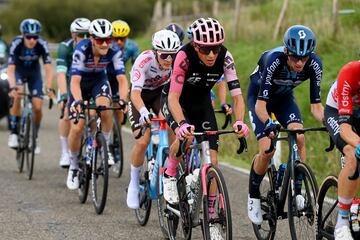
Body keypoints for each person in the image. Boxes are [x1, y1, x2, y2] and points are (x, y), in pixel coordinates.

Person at [160, 17, 249, 205]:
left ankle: (212, 216)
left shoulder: (226, 57)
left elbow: (237, 96)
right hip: (176, 100)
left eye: (215, 49)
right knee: (186, 136)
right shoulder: (183, 56)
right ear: (195, 45)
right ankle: (170, 174)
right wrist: (182, 124)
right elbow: (173, 98)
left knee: (213, 163)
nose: (211, 55)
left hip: (201, 102)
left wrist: (240, 120)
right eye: (205, 49)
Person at [247, 25, 324, 225]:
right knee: (267, 149)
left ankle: (298, 192)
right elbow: (261, 106)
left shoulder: (315, 64)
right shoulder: (273, 60)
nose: (300, 62)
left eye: (304, 57)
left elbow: (316, 107)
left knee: (299, 136)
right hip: (259, 100)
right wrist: (269, 123)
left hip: (283, 100)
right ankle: (253, 195)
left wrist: (333, 125)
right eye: (295, 57)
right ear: (286, 52)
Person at [66, 18, 128, 190]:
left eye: (108, 39)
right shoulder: (81, 50)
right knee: (77, 127)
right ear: (92, 39)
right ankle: (73, 165)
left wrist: (123, 99)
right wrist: (78, 101)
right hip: (79, 84)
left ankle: (104, 146)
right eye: (100, 40)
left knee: (105, 108)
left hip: (98, 81)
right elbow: (75, 81)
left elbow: (122, 80)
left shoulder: (114, 52)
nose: (105, 44)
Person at [126, 29, 181, 209]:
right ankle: (134, 184)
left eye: (172, 55)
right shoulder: (144, 60)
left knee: (172, 126)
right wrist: (142, 112)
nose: (168, 59)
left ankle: (167, 167)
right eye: (164, 54)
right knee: (142, 140)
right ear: (155, 51)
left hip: (160, 95)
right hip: (140, 96)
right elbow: (135, 93)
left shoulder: (177, 63)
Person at [324, 60, 360, 240]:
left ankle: (356, 204)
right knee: (353, 154)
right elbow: (345, 129)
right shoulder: (350, 72)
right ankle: (342, 223)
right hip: (337, 112)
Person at [7, 18, 54, 154]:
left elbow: (48, 69)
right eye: (29, 37)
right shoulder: (16, 43)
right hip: (18, 72)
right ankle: (14, 132)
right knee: (17, 94)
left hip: (34, 74)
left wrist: (49, 87)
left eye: (35, 36)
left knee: (38, 106)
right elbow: (10, 69)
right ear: (23, 35)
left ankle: (35, 136)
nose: (32, 40)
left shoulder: (42, 44)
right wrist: (12, 86)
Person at [56, 17, 90, 168]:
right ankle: (65, 152)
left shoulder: (93, 47)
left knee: (95, 113)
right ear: (73, 35)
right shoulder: (65, 47)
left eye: (88, 34)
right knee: (65, 115)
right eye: (81, 35)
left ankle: (92, 147)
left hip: (88, 83)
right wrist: (63, 95)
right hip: (70, 83)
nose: (85, 38)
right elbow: (62, 74)